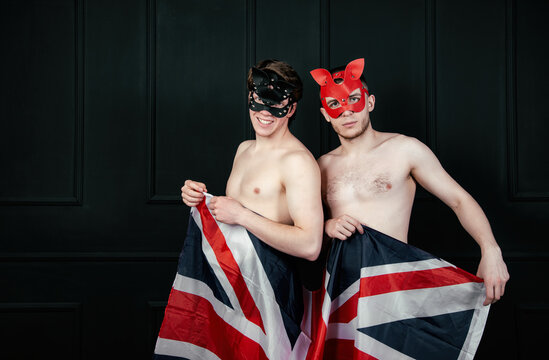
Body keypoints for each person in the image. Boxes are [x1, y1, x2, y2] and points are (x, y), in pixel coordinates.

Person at [311, 58, 509, 305]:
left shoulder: (405, 149)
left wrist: (491, 250)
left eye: (353, 99)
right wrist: (327, 226)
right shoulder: (320, 167)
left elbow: (459, 200)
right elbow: (303, 231)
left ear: (369, 102)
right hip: (341, 291)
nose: (346, 110)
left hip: (394, 287)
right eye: (334, 104)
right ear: (325, 115)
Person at [181, 59, 323, 261]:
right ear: (250, 97)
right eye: (259, 100)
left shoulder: (297, 162)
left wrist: (241, 216)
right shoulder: (244, 149)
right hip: (233, 273)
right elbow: (233, 214)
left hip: (268, 279)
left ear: (291, 109)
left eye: (275, 103)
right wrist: (199, 197)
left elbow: (310, 245)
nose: (265, 111)